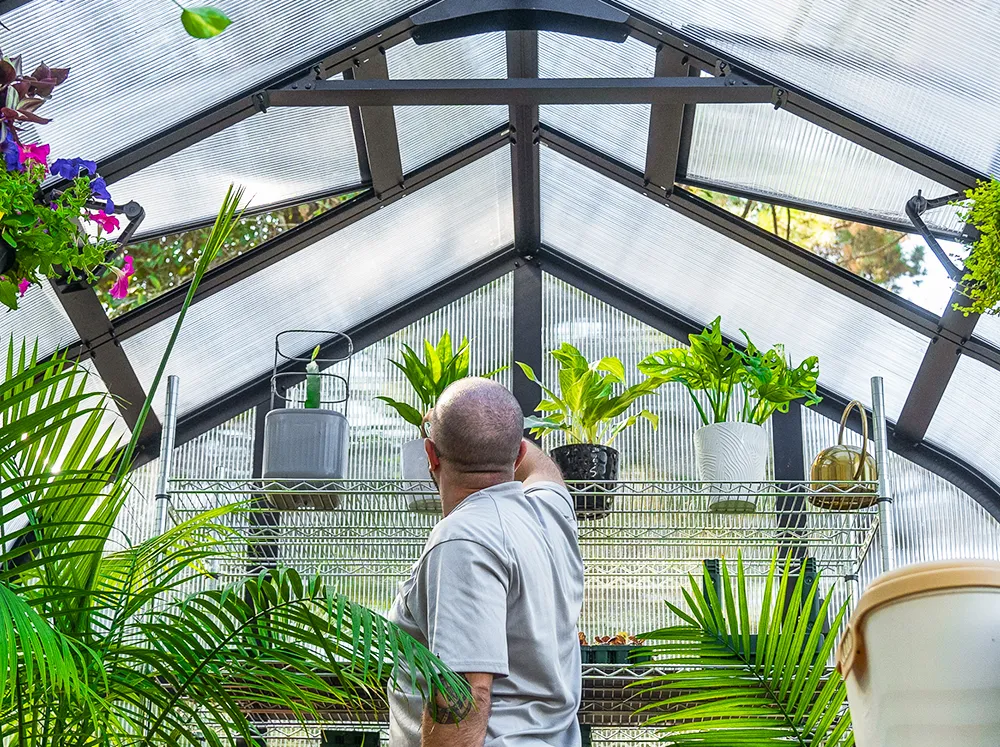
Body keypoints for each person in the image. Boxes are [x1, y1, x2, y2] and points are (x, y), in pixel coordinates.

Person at [387, 378, 584, 746]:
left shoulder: (462, 540)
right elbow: (544, 469)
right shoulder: (549, 513)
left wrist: (447, 424)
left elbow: (464, 700)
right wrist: (497, 430)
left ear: (430, 455)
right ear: (518, 454)